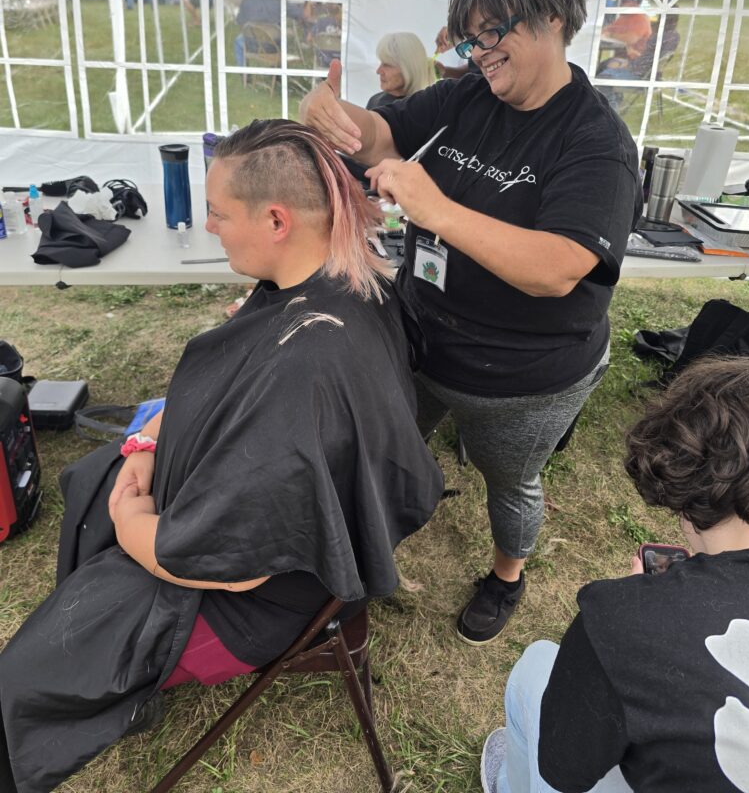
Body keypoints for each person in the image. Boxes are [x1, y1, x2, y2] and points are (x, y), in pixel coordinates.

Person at [0, 120, 444, 793]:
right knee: (95, 474)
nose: (207, 226)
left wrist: (132, 524)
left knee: (26, 681)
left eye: (217, 213)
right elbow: (227, 383)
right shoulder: (335, 276)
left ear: (276, 220)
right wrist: (147, 441)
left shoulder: (309, 368)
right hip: (235, 520)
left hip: (255, 598)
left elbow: (230, 568)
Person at [300, 0, 642, 646]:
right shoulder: (468, 96)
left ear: (552, 19)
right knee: (391, 443)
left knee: (509, 479)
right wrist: (337, 117)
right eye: (469, 37)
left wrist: (437, 209)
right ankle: (365, 547)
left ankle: (507, 575)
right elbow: (383, 132)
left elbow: (559, 266)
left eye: (493, 33)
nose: (479, 53)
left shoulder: (595, 141)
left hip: (523, 374)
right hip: (423, 336)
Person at [481, 357, 749, 793]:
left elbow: (564, 769)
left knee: (534, 667)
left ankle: (509, 785)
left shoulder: (624, 622)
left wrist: (645, 616)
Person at [366, 32, 434, 110]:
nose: (378, 71)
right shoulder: (375, 100)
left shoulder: (423, 107)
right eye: (381, 63)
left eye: (387, 65)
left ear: (409, 68)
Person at [233, 0, 281, 67]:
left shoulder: (248, 1)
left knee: (238, 41)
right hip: (274, 46)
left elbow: (239, 22)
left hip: (253, 45)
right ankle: (277, 69)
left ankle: (244, 72)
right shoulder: (277, 1)